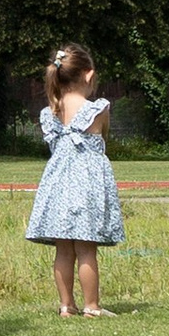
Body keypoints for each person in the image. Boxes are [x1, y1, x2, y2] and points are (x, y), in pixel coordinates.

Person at [26, 40, 123, 315]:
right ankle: (92, 305)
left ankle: (66, 305)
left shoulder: (50, 112)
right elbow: (102, 139)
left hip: (57, 185)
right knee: (86, 248)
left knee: (63, 248)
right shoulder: (98, 109)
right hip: (87, 186)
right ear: (88, 74)